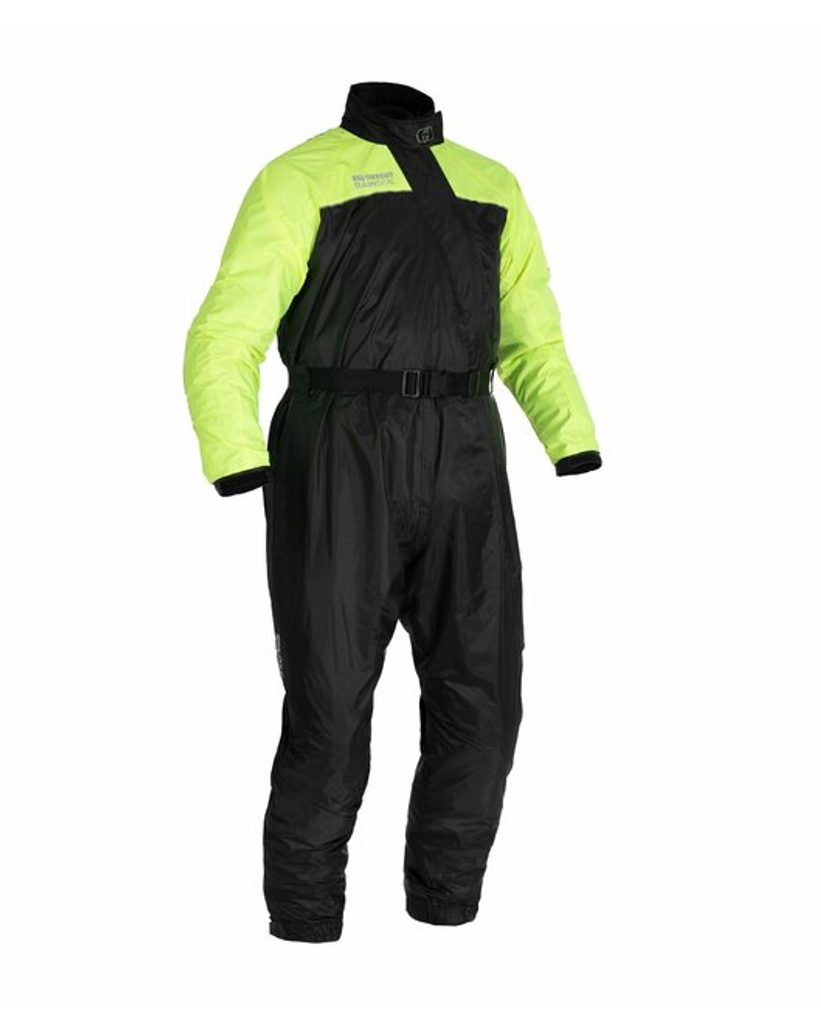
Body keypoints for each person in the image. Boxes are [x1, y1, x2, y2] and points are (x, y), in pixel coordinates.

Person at [184, 80, 602, 943]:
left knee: (484, 695)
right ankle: (305, 916)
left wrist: (570, 435)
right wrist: (234, 450)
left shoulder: (491, 182)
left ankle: (444, 903)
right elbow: (226, 331)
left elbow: (532, 334)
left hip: (466, 447)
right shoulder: (300, 176)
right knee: (330, 702)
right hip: (339, 448)